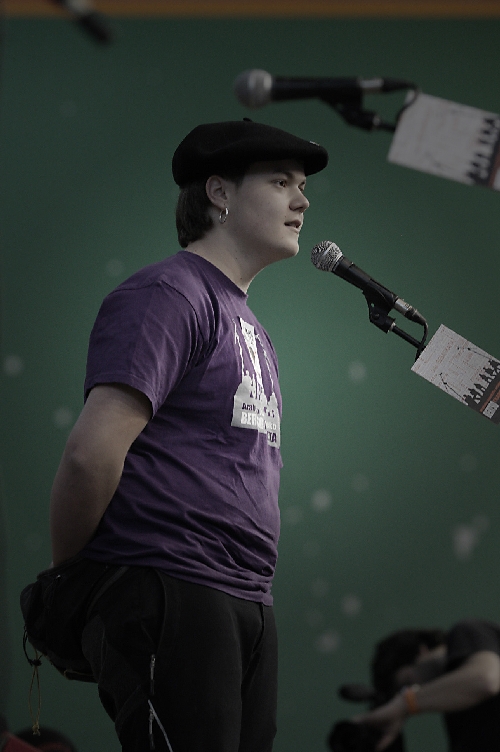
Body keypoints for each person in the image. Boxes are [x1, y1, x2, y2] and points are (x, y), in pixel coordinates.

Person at [48, 119, 328, 752]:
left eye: (303, 186)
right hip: (173, 583)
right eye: (281, 182)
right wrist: (69, 586)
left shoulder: (250, 325)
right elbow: (91, 456)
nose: (302, 200)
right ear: (219, 191)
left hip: (245, 598)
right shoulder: (167, 293)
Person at [354, 618, 500, 751]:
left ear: (421, 650)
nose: (413, 690)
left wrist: (404, 705)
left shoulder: (467, 632)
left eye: (407, 684)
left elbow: (485, 679)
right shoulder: (458, 719)